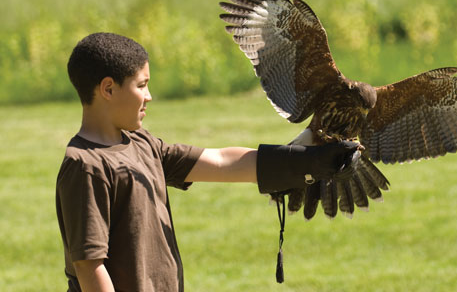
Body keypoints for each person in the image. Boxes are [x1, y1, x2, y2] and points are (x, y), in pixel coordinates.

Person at [55, 32, 359, 291]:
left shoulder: (142, 144)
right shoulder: (86, 166)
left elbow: (221, 160)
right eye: (141, 85)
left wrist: (309, 162)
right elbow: (89, 266)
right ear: (108, 89)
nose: (149, 96)